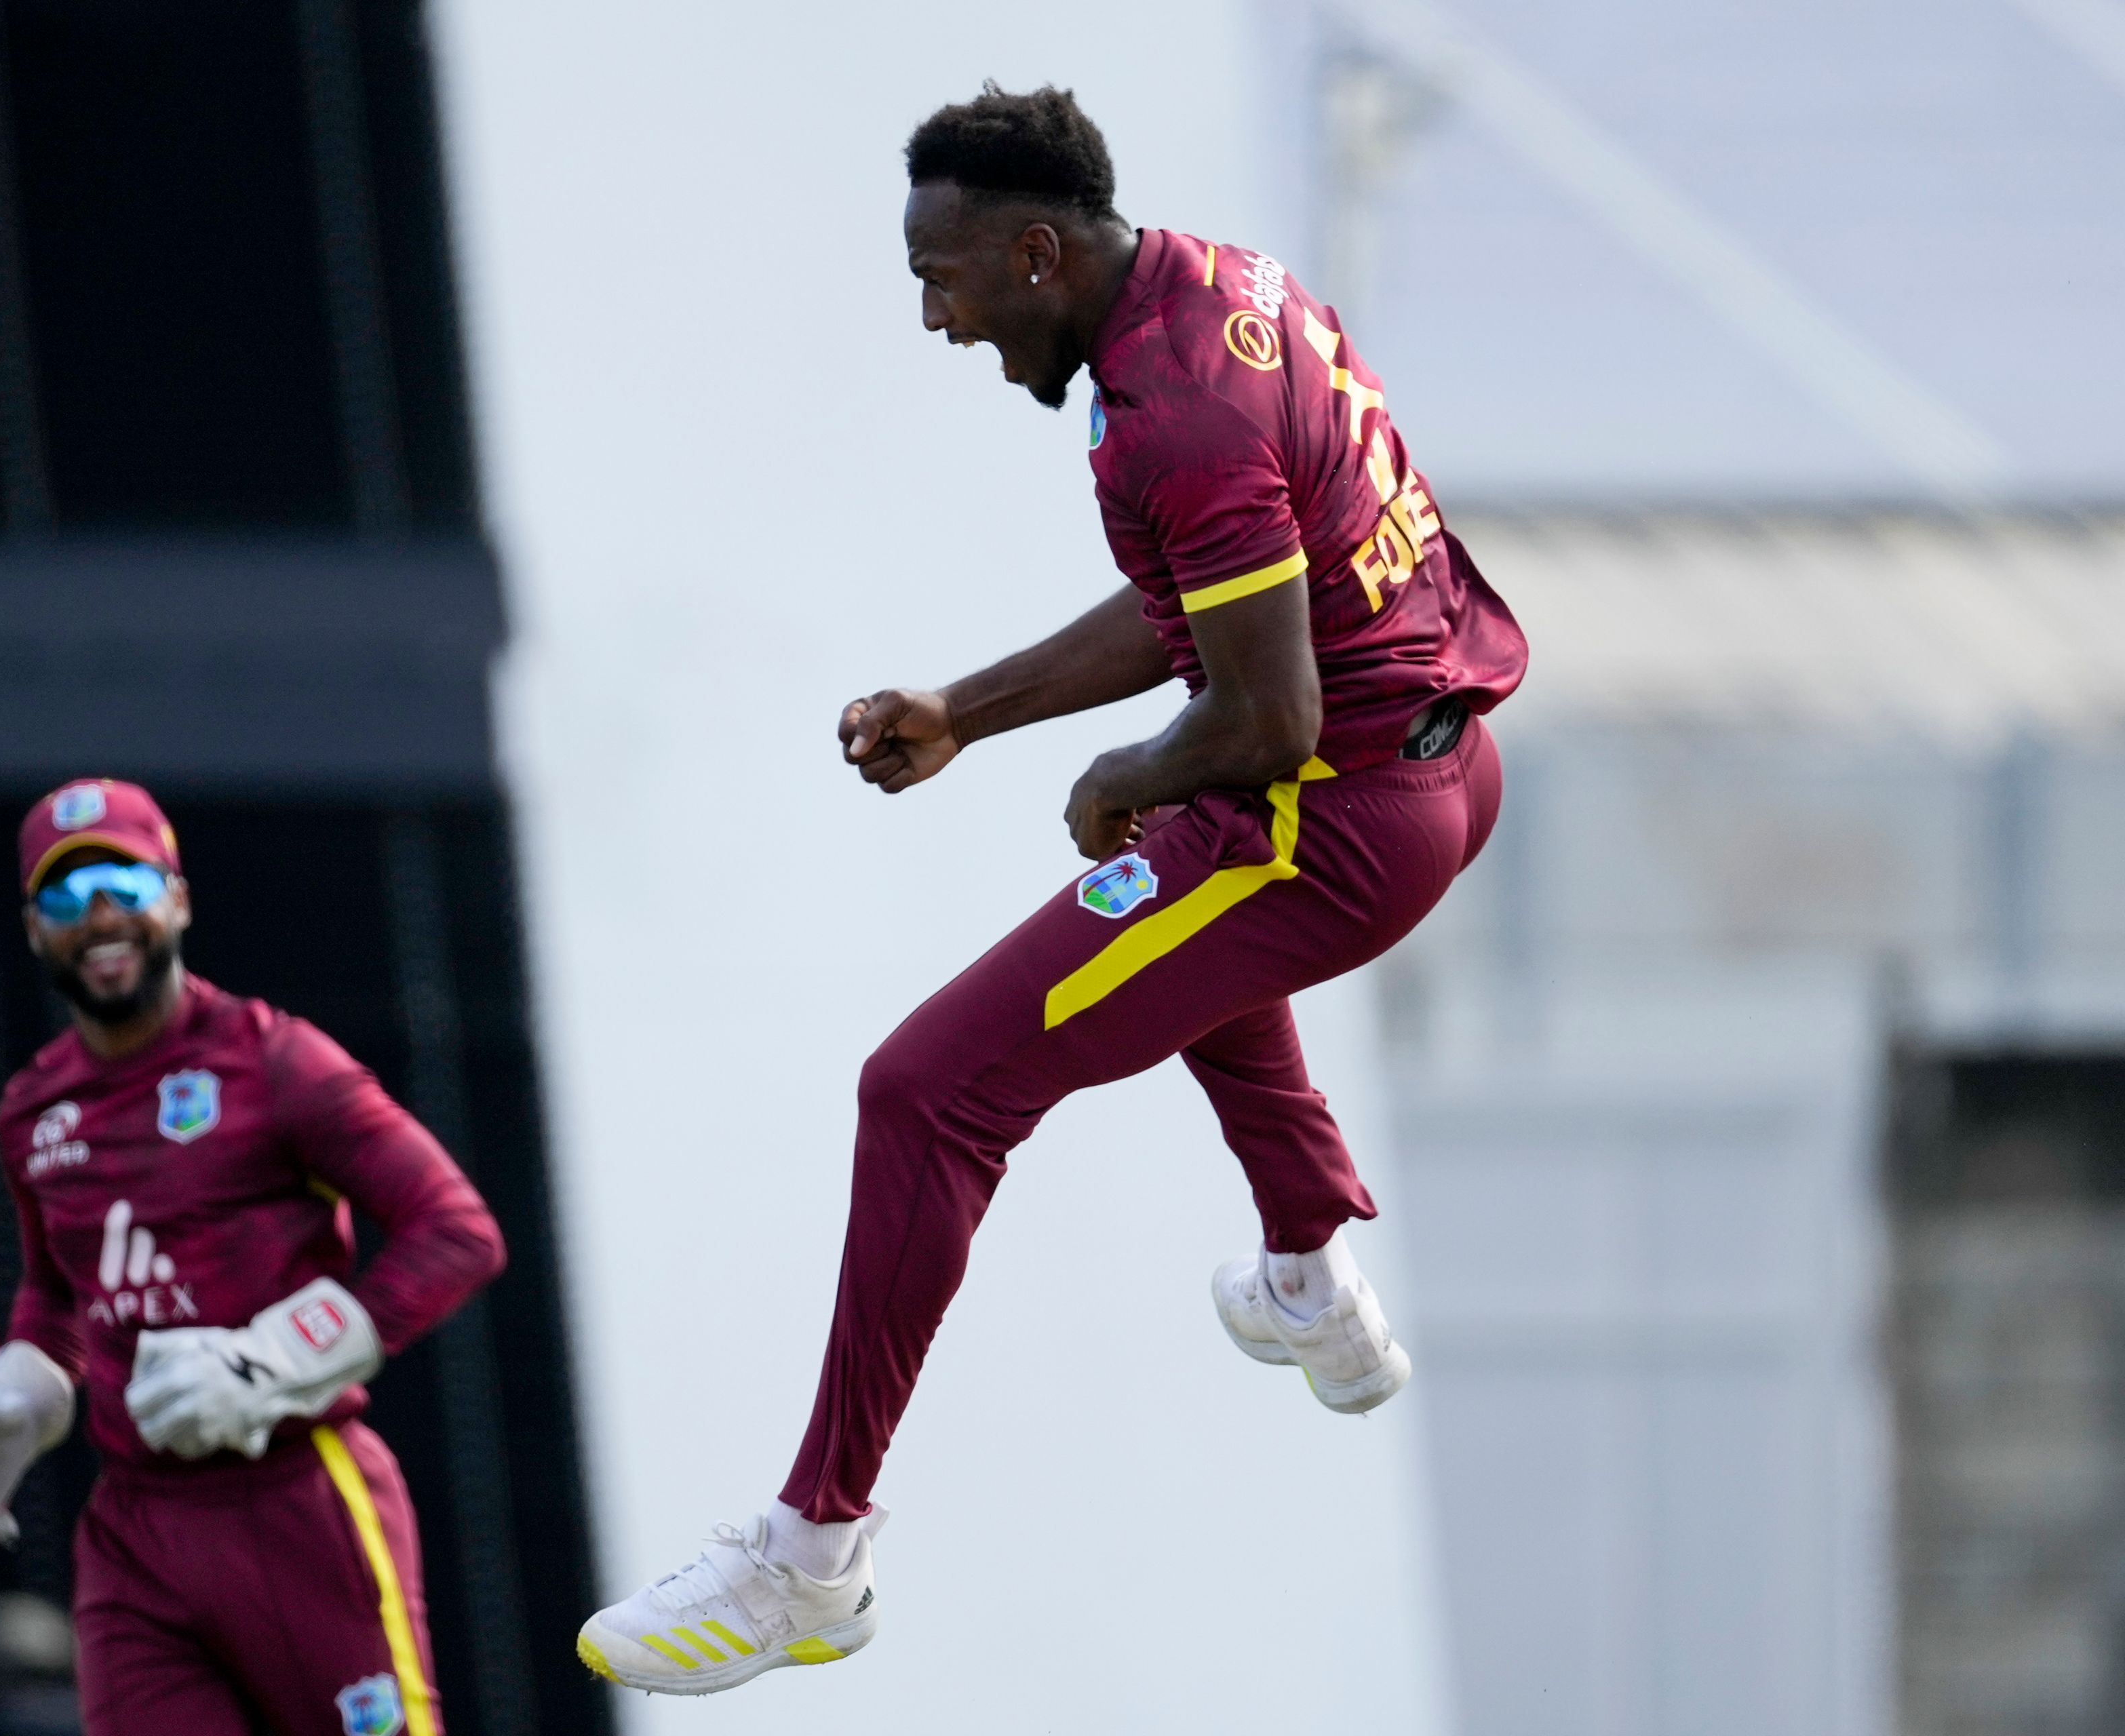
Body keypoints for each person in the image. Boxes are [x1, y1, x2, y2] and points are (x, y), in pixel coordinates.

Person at [578, 83, 1530, 1695]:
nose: (935, 321)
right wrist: (965, 705)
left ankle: (814, 1550)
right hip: (1415, 771)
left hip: (1327, 810)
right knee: (1180, 942)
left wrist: (1124, 772)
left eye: (940, 280)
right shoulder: (1225, 288)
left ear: (1034, 251)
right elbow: (1212, 605)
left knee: (926, 1088)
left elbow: (1263, 712)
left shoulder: (1168, 412)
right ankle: (1309, 1271)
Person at [0, 778, 506, 1736]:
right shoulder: (32, 1110)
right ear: (35, 929)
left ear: (179, 898)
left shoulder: (275, 1060)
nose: (102, 917)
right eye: (68, 898)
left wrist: (271, 1358)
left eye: (125, 882)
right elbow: (56, 1299)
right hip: (138, 1530)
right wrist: (11, 1401)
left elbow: (458, 1232)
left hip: (298, 1496)